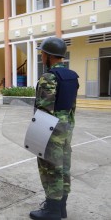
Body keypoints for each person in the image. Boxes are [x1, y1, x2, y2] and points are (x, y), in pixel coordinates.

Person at [29, 37, 79, 220]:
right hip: (66, 128)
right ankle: (61, 208)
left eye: (42, 53)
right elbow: (72, 107)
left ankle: (51, 210)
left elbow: (43, 110)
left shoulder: (48, 77)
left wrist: (36, 138)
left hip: (50, 130)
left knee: (50, 168)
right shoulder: (72, 76)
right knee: (64, 167)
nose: (42, 56)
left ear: (49, 55)